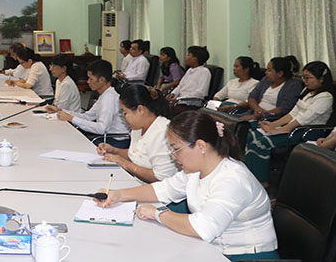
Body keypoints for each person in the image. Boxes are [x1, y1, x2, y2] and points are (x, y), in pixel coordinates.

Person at [96, 110, 277, 260]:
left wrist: (158, 214)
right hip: (213, 248)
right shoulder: (196, 169)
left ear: (200, 146)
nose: (173, 156)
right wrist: (119, 194)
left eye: (176, 149)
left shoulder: (232, 179)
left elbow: (202, 228)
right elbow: (163, 189)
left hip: (246, 255)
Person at [244, 61, 333, 183]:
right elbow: (292, 113)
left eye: (308, 78)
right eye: (303, 77)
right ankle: (249, 175)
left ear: (321, 79)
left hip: (305, 132)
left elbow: (303, 119)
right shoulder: (307, 91)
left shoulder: (325, 97)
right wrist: (273, 125)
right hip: (292, 127)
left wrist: (278, 130)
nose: (304, 81)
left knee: (261, 143)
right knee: (251, 135)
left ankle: (261, 181)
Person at [96, 85, 177, 182]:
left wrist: (124, 163)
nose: (124, 119)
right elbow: (136, 155)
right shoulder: (138, 128)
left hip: (154, 188)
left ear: (140, 110)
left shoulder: (163, 132)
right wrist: (114, 151)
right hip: (135, 182)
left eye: (125, 113)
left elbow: (160, 177)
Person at [47, 59, 128, 136]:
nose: (88, 82)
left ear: (101, 80)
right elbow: (87, 117)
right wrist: (61, 111)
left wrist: (72, 119)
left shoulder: (109, 98)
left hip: (113, 139)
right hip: (105, 136)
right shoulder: (105, 95)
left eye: (91, 79)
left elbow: (101, 128)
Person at [237, 57, 304, 121]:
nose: (266, 72)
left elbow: (284, 109)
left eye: (269, 70)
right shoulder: (265, 80)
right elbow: (252, 97)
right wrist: (257, 110)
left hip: (272, 119)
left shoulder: (294, 85)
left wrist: (263, 114)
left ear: (280, 73)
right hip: (254, 113)